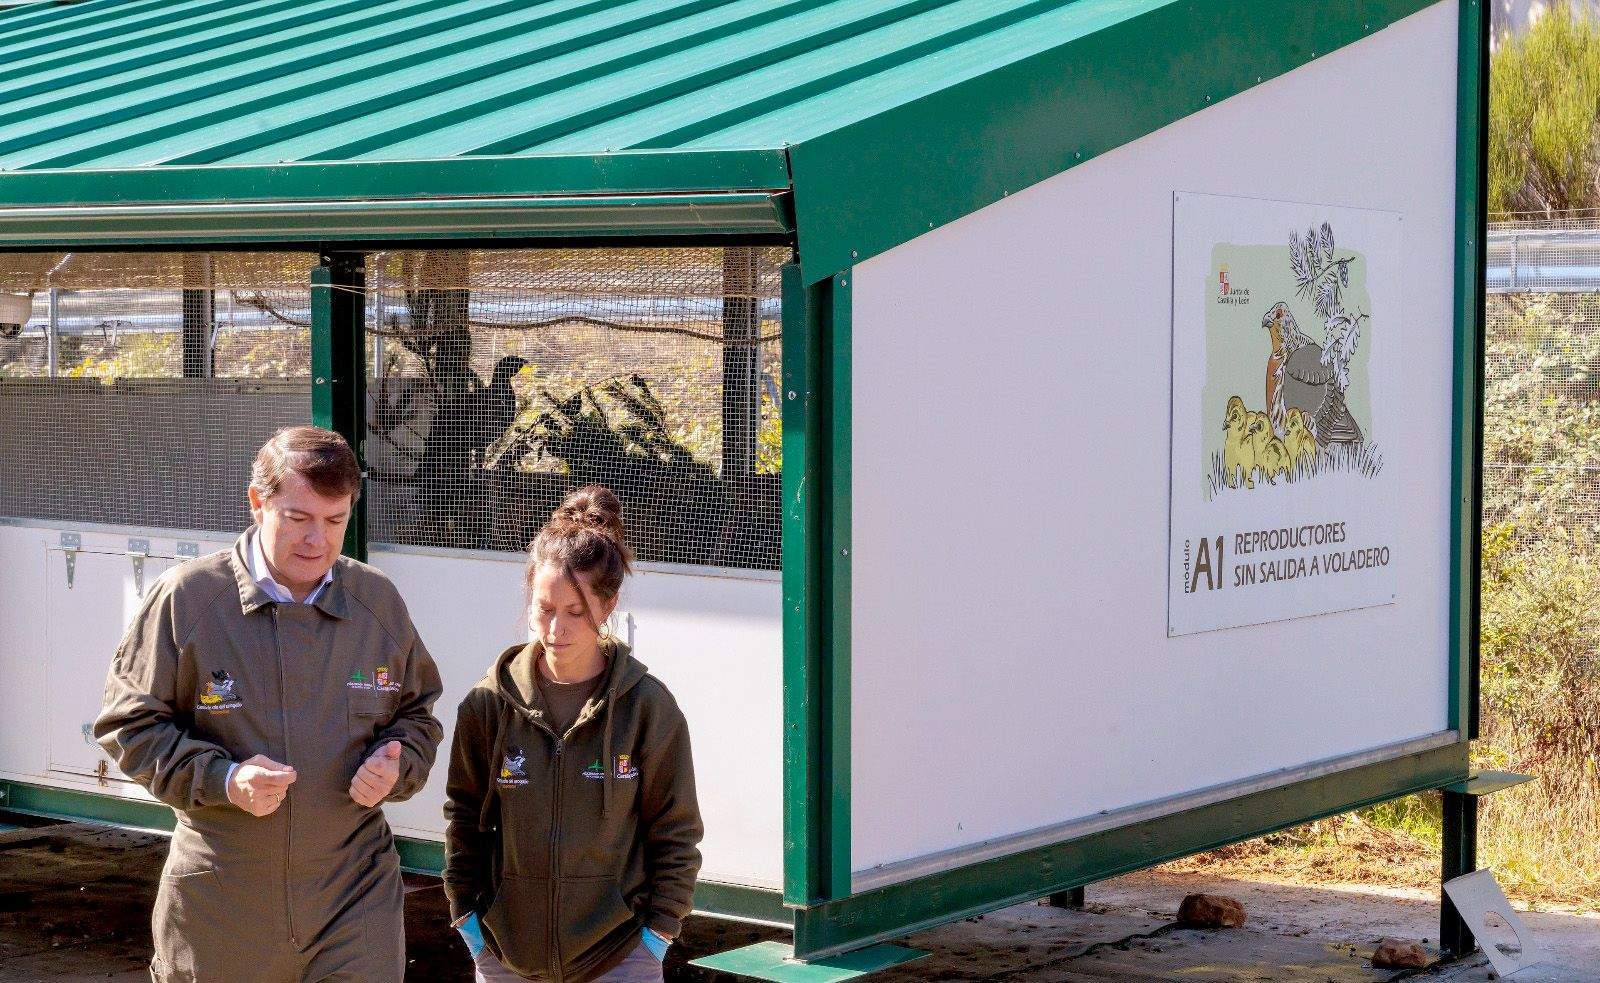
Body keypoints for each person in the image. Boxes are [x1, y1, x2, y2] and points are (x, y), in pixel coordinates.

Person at [94, 425, 445, 983]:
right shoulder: (188, 600)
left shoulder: (376, 601)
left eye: (335, 521)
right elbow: (128, 726)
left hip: (353, 904)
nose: (318, 541)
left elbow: (418, 713)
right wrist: (225, 779)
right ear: (258, 503)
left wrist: (399, 761)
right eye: (298, 518)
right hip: (222, 907)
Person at [444, 485, 703, 983]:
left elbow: (676, 832)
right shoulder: (488, 704)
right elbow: (463, 819)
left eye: (575, 612)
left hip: (620, 956)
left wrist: (656, 938)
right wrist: (470, 925)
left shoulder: (647, 707)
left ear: (607, 607)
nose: (555, 628)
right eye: (544, 608)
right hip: (505, 956)